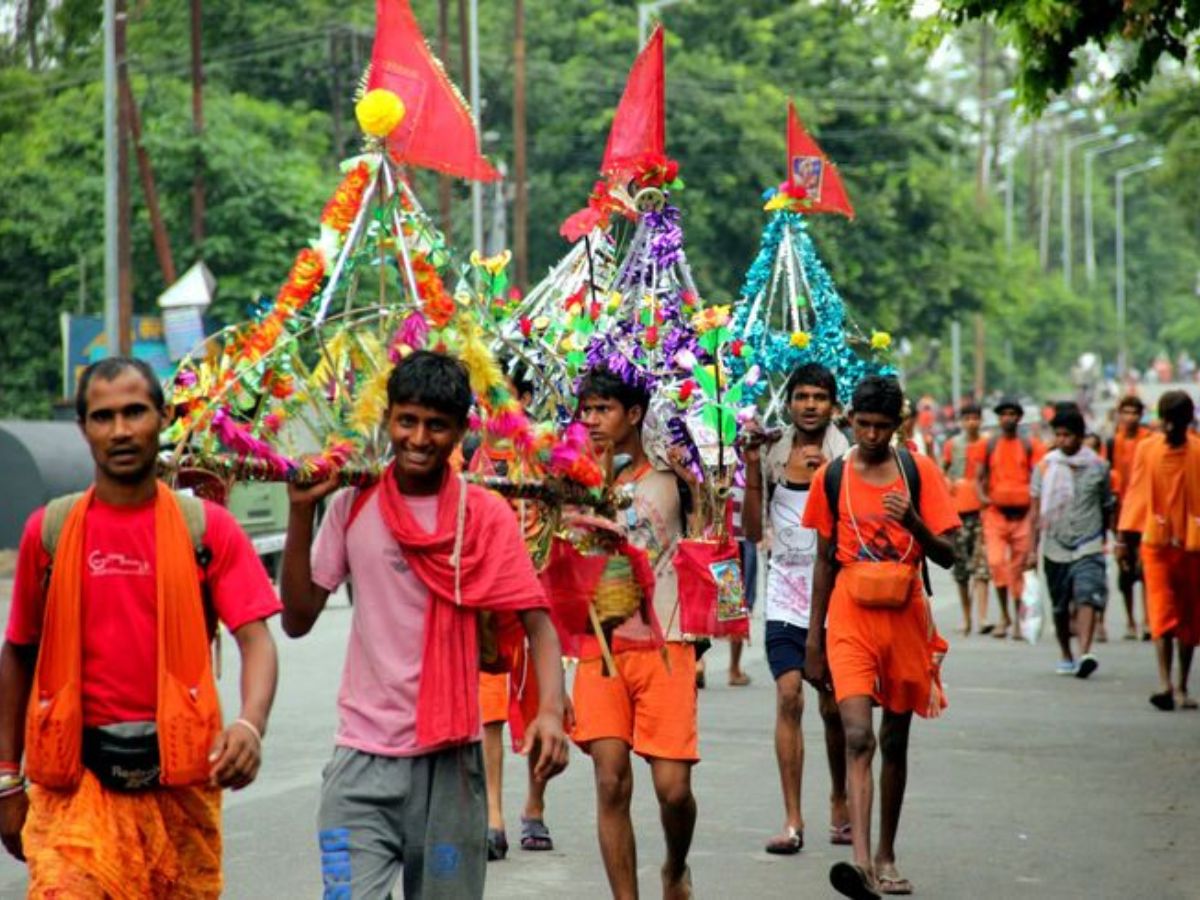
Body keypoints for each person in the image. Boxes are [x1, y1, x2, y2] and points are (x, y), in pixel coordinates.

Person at [281, 351, 569, 899]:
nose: (418, 438)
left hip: (451, 770)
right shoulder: (351, 507)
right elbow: (296, 620)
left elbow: (539, 625)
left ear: (462, 432)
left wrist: (551, 712)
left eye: (437, 425)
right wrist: (299, 514)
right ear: (387, 419)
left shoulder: (484, 516)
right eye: (406, 421)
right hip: (359, 766)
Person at [0, 357, 281, 896]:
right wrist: (7, 777)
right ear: (83, 429)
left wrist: (249, 724)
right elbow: (18, 652)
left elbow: (256, 638)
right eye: (103, 417)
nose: (121, 430)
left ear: (164, 416)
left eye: (135, 412)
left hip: (178, 789)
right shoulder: (50, 532)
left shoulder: (207, 529)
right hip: (73, 789)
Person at [803, 375, 959, 899]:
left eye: (882, 427)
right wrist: (813, 641)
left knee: (895, 738)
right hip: (849, 614)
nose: (870, 435)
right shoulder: (832, 476)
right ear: (850, 421)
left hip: (905, 614)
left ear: (897, 426)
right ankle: (863, 865)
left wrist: (913, 522)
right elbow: (824, 561)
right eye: (863, 425)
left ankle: (888, 855)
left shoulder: (919, 471)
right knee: (857, 735)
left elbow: (949, 554)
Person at [572, 367, 699, 900]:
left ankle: (675, 866)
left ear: (635, 414)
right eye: (588, 410)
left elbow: (717, 540)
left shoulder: (675, 482)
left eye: (604, 409)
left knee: (673, 790)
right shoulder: (569, 482)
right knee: (610, 780)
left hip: (666, 642)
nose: (593, 420)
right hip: (598, 644)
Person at [741, 363, 852, 856]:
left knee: (832, 708)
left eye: (820, 397)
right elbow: (749, 529)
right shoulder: (769, 451)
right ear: (788, 403)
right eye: (802, 396)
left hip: (834, 601)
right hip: (784, 596)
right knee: (789, 697)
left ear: (834, 404)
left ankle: (840, 796)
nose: (810, 405)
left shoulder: (848, 456)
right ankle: (792, 819)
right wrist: (748, 467)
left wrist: (825, 479)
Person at [1117, 390, 1200, 711]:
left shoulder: (1196, 451)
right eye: (1167, 422)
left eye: (1177, 424)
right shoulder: (1147, 450)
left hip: (1193, 546)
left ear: (1186, 423)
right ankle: (1165, 683)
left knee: (1191, 617)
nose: (1170, 430)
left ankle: (1182, 685)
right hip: (1156, 544)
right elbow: (1137, 492)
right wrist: (1125, 540)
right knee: (1162, 612)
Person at [1028, 407, 1114, 678]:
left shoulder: (1099, 467)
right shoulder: (1044, 467)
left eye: (1068, 435)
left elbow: (1107, 504)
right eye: (1059, 435)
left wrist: (1110, 537)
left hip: (1088, 542)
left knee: (1087, 593)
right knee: (1060, 605)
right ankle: (1066, 653)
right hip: (1055, 545)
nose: (1063, 440)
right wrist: (1032, 549)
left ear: (1080, 436)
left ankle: (1085, 652)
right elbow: (1034, 512)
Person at [976, 397, 1045, 640]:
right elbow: (980, 475)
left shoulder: (1030, 445)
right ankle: (1004, 615)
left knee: (1018, 569)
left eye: (1012, 413)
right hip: (996, 514)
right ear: (999, 418)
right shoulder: (990, 444)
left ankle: (1016, 621)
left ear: (1019, 418)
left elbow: (1039, 477)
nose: (1008, 418)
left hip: (1023, 515)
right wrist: (982, 496)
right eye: (1004, 413)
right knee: (996, 563)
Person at [942, 402, 990, 635]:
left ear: (981, 420)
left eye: (975, 417)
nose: (972, 422)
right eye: (967, 418)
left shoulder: (988, 443)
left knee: (982, 567)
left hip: (981, 511)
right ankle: (966, 617)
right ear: (961, 421)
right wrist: (948, 482)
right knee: (961, 569)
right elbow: (944, 470)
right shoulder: (953, 445)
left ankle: (982, 617)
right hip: (958, 511)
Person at [1108, 395, 1152, 641]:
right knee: (1124, 568)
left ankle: (1148, 620)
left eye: (1135, 412)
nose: (1130, 417)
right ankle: (1130, 621)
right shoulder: (1114, 442)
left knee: (1145, 567)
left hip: (1145, 511)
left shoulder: (1149, 440)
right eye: (1126, 412)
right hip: (1123, 513)